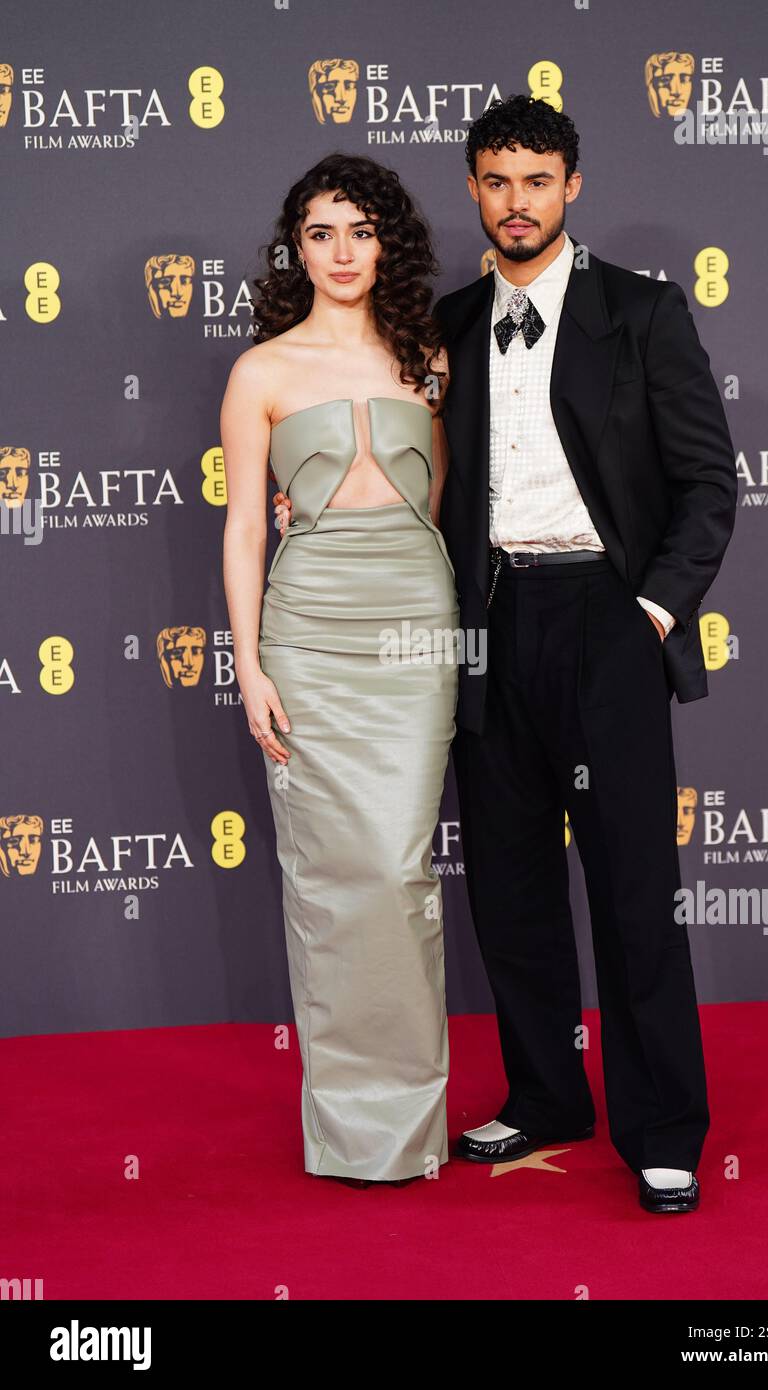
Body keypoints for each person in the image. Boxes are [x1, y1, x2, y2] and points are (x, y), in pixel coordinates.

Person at [274, 97, 738, 1213]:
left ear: (569, 184)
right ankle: (544, 1093)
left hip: (608, 620)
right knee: (510, 885)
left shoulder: (641, 311)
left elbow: (707, 485)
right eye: (494, 180)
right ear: (473, 189)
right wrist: (318, 517)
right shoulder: (443, 323)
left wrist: (655, 614)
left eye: (535, 179)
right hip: (485, 622)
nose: (515, 201)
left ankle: (662, 1125)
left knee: (632, 887)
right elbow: (400, 460)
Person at [222, 153, 458, 1184]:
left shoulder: (427, 361)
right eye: (321, 233)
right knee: (328, 874)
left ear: (385, 243)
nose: (341, 252)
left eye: (359, 230)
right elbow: (240, 530)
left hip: (411, 625)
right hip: (307, 631)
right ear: (296, 249)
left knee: (400, 868)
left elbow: (435, 502)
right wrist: (248, 663)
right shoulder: (261, 372)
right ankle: (349, 1128)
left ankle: (409, 1121)